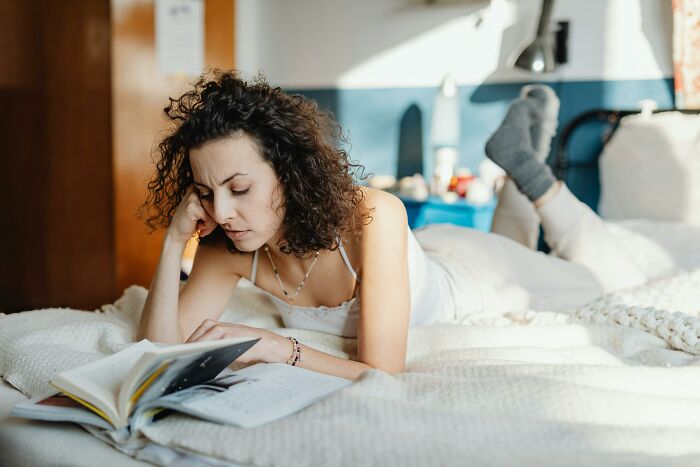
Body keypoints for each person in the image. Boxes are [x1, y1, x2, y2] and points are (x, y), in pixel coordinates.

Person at [136, 71, 648, 381]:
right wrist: (174, 239)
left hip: (476, 278)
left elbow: (382, 371)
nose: (221, 212)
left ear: (287, 174)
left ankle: (533, 175)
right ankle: (521, 159)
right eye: (205, 192)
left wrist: (279, 348)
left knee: (610, 278)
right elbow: (159, 350)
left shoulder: (372, 212)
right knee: (515, 240)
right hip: (419, 258)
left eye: (239, 189)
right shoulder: (226, 244)